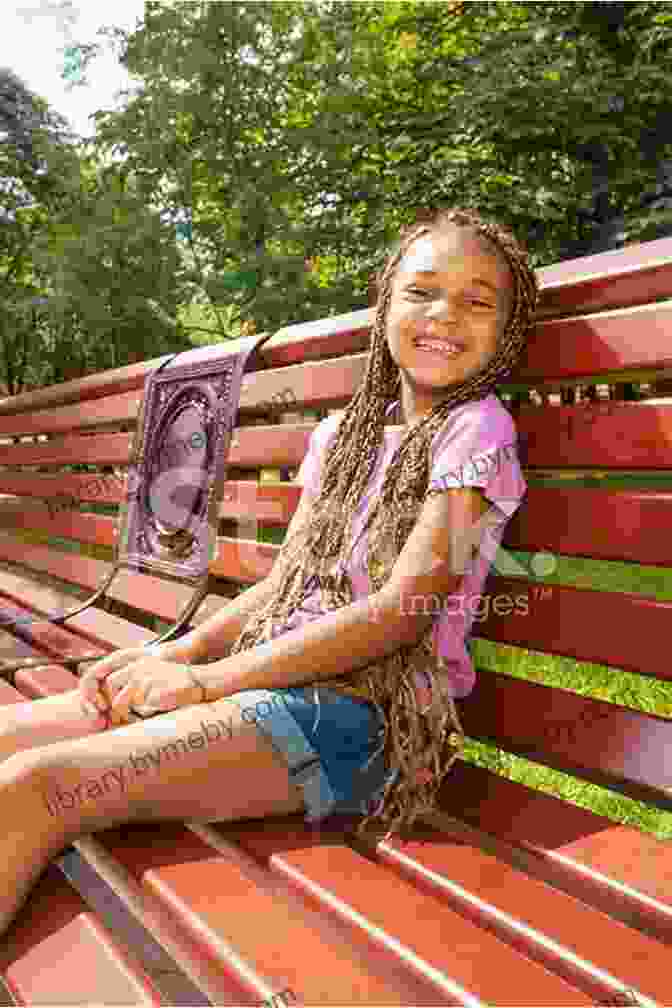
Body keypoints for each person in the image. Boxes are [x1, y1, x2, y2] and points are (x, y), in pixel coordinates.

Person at [0, 207, 538, 936]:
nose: (445, 313)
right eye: (422, 291)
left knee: (33, 789)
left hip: (359, 719)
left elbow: (403, 609)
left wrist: (204, 683)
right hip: (266, 686)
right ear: (386, 304)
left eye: (478, 301)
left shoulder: (476, 432)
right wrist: (177, 653)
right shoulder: (342, 439)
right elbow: (284, 582)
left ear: (506, 329)